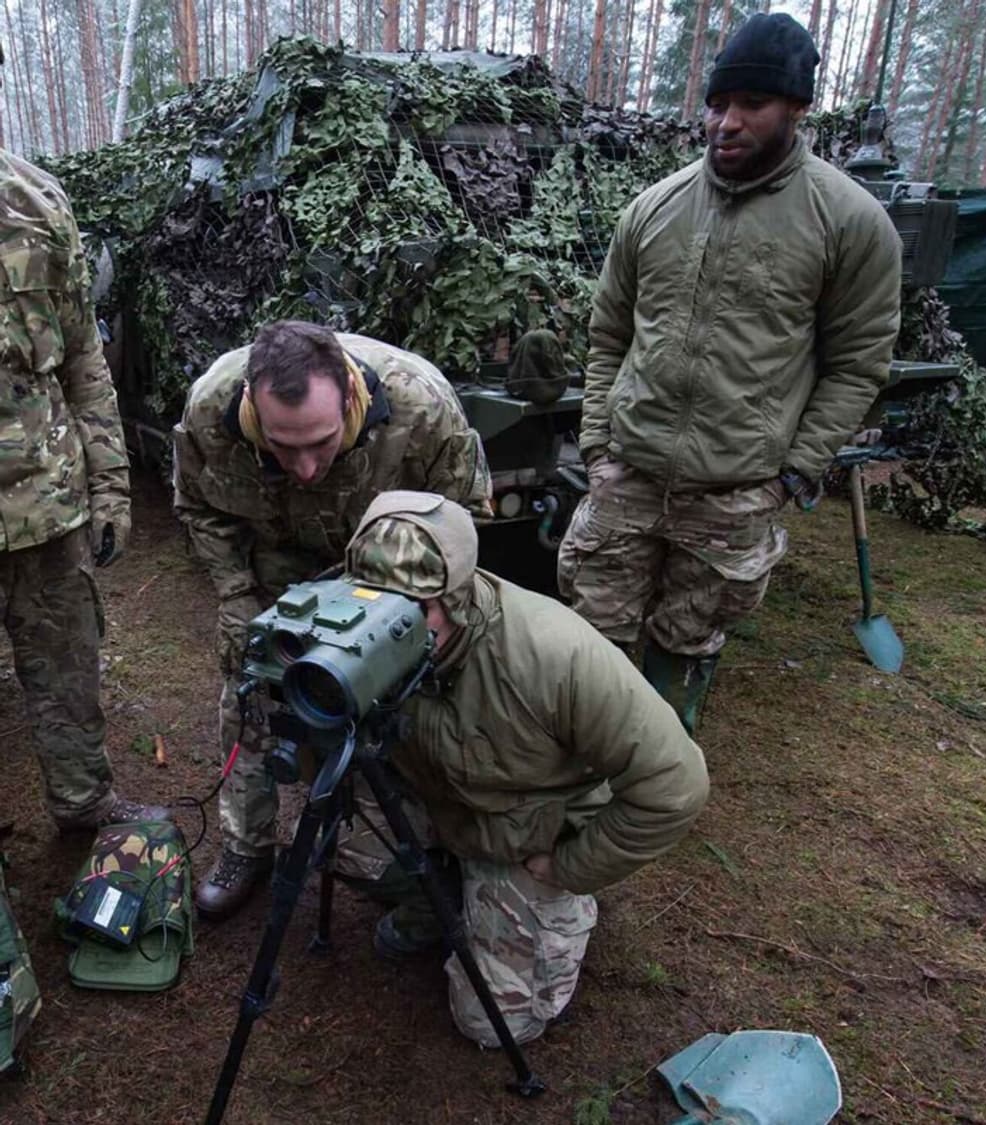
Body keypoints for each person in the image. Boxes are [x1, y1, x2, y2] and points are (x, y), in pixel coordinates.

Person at [558, 12, 902, 735]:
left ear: (797, 109)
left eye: (751, 105)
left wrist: (791, 473)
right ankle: (581, 764)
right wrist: (596, 446)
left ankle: (656, 767)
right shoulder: (652, 209)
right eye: (717, 104)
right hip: (627, 473)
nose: (726, 122)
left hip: (736, 491)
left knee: (687, 639)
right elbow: (608, 333)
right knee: (590, 637)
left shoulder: (849, 221)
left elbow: (857, 362)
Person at [332, 490, 709, 1046]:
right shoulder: (354, 629)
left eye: (414, 610)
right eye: (375, 604)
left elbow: (675, 786)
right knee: (334, 840)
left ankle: (549, 907)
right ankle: (436, 898)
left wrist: (569, 867)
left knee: (495, 1025)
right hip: (433, 794)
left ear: (457, 599)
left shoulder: (554, 656)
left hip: (521, 833)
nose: (389, 630)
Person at [173, 320, 491, 919]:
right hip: (275, 580)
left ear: (349, 397)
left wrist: (417, 613)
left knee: (397, 712)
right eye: (282, 446)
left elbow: (464, 520)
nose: (306, 468)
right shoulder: (210, 407)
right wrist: (237, 596)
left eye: (320, 443)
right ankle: (247, 843)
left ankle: (411, 842)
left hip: (386, 582)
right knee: (248, 698)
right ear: (250, 404)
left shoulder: (422, 408)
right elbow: (198, 508)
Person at [0, 69, 167, 832]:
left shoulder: (36, 204)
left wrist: (110, 489)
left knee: (69, 674)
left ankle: (85, 805)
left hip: (49, 511)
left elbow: (83, 362)